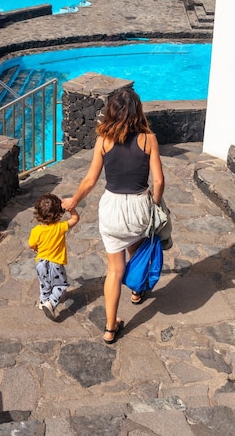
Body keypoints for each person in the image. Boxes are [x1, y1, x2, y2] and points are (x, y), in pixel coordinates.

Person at [62, 87, 168, 344]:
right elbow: (159, 180)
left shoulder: (103, 140)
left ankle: (110, 327)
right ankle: (136, 291)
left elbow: (89, 180)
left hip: (111, 207)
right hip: (138, 206)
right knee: (136, 250)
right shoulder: (148, 139)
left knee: (114, 269)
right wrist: (154, 204)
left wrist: (73, 201)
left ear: (111, 111)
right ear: (137, 110)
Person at [29, 192, 79, 321]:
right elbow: (75, 219)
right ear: (59, 213)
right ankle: (50, 303)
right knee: (60, 285)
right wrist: (71, 208)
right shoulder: (60, 227)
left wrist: (36, 249)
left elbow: (32, 245)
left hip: (40, 263)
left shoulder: (36, 231)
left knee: (44, 283)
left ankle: (43, 301)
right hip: (55, 264)